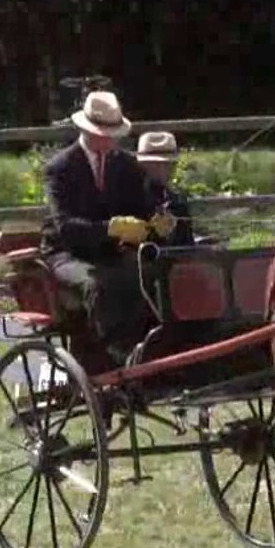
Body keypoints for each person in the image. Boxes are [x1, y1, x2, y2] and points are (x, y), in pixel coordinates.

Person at [39, 90, 173, 366]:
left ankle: (155, 346)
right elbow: (65, 227)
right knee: (98, 284)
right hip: (66, 253)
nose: (109, 140)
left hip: (111, 252)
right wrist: (109, 229)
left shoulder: (126, 165)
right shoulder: (60, 168)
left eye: (113, 135)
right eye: (103, 134)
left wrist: (157, 221)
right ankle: (114, 354)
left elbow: (143, 206)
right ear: (86, 130)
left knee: (153, 273)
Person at [135, 131, 195, 246]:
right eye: (154, 164)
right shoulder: (130, 198)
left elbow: (187, 245)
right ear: (142, 165)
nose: (161, 169)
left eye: (167, 164)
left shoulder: (178, 203)